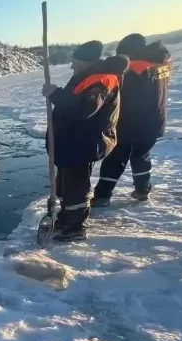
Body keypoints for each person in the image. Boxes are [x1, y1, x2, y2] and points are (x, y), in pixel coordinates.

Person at [42, 40, 129, 241]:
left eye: (75, 61)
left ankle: (74, 228)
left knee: (75, 186)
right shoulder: (86, 77)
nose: (72, 66)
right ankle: (65, 218)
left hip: (83, 143)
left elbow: (85, 109)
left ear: (86, 61)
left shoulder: (100, 81)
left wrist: (56, 94)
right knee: (64, 184)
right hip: (73, 142)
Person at [92, 34, 172, 205]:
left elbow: (127, 96)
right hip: (155, 120)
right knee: (141, 155)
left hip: (130, 121)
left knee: (115, 157)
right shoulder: (161, 61)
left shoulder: (134, 67)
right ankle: (143, 190)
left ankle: (103, 196)